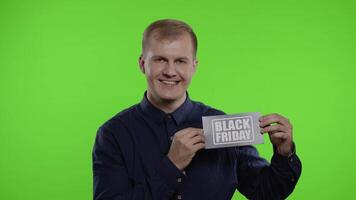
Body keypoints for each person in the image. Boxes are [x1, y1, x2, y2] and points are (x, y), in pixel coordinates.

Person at [92, 19, 302, 200]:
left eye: (180, 61)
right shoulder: (112, 134)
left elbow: (266, 192)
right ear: (142, 64)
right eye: (160, 60)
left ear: (194, 65)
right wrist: (172, 166)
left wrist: (285, 153)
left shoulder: (222, 124)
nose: (170, 71)